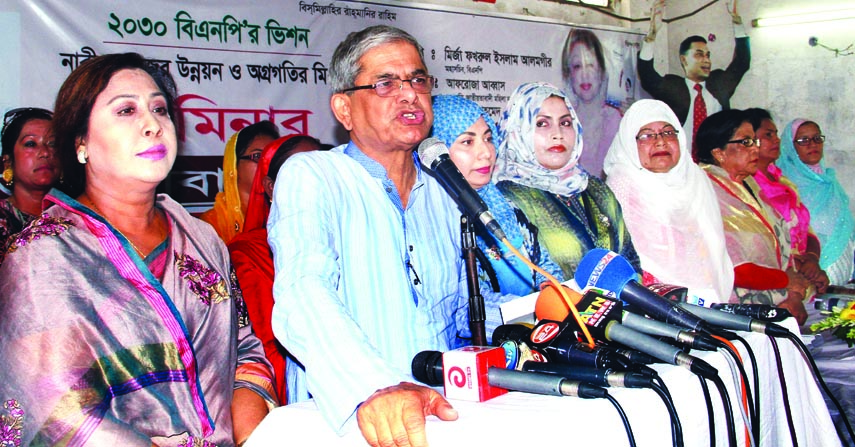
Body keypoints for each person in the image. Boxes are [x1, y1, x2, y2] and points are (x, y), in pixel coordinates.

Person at [0, 52, 276, 446]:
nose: (152, 125)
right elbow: (54, 411)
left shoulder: (202, 240)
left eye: (160, 109)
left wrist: (249, 435)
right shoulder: (42, 257)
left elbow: (245, 351)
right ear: (81, 143)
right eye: (127, 110)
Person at [267, 26, 508, 447]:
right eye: (385, 83)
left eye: (418, 80)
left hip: (440, 414)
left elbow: (457, 313)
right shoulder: (314, 176)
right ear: (344, 109)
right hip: (351, 418)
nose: (409, 94)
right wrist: (373, 386)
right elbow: (302, 291)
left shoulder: (443, 191)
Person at [494, 81, 640, 278]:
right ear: (517, 130)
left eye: (565, 123)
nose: (558, 135)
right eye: (542, 123)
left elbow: (629, 260)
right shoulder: (505, 198)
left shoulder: (594, 188)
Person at [431, 94, 564, 296]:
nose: (486, 152)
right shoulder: (435, 221)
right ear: (439, 152)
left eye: (488, 138)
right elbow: (467, 304)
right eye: (467, 142)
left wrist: (554, 296)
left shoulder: (505, 204)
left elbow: (542, 263)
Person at [603, 99, 734, 304]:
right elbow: (624, 255)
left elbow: (713, 248)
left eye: (668, 132)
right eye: (646, 135)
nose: (661, 142)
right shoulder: (622, 184)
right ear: (629, 142)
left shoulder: (695, 178)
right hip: (651, 301)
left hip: (710, 294)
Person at [228, 133, 322, 403]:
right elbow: (262, 349)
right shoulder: (247, 253)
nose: (312, 185)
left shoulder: (347, 238)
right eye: (299, 175)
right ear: (270, 187)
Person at [696, 109, 810, 323]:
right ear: (719, 153)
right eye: (746, 142)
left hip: (777, 298)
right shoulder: (705, 190)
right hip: (734, 309)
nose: (755, 148)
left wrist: (792, 293)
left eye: (755, 141)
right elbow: (723, 263)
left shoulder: (749, 183)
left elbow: (780, 241)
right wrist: (785, 281)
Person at [638, 0, 750, 156]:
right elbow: (648, 76)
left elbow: (742, 63)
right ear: (684, 60)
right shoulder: (674, 88)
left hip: (717, 163)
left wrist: (737, 21)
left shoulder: (719, 84)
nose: (706, 60)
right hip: (683, 164)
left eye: (707, 55)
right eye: (699, 55)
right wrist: (651, 37)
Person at [745, 108, 830, 294]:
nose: (776, 140)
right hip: (774, 283)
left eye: (776, 134)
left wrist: (812, 260)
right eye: (768, 135)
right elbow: (761, 244)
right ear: (749, 140)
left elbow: (806, 231)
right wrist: (798, 268)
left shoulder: (785, 183)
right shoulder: (747, 186)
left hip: (801, 277)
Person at [776, 118, 855, 286]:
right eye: (803, 140)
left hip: (842, 266)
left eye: (817, 138)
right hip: (809, 270)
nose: (813, 144)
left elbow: (844, 227)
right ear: (790, 147)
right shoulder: (783, 185)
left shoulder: (829, 182)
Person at [200, 120, 280, 244]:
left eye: (273, 157)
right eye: (258, 156)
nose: (267, 164)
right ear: (233, 165)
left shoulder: (285, 216)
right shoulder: (210, 225)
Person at [561, 28, 622, 178]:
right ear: (569, 75)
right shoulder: (562, 122)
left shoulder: (617, 119)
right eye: (577, 66)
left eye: (590, 65)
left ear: (601, 72)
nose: (585, 74)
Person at [0, 107, 61, 245]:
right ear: (8, 160)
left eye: (53, 144)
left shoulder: (77, 216)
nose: (45, 152)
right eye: (31, 144)